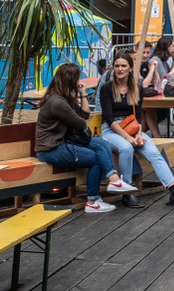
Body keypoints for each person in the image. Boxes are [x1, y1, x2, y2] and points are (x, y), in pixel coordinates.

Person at [34, 62, 135, 213]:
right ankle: (93, 201)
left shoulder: (63, 97)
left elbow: (85, 115)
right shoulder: (57, 102)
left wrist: (82, 94)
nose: (79, 81)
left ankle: (114, 180)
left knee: (101, 142)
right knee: (95, 158)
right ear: (70, 80)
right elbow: (81, 123)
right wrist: (81, 118)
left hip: (62, 143)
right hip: (50, 149)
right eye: (77, 79)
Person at [99, 53, 174, 209]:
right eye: (117, 66)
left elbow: (139, 117)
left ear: (130, 68)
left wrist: (139, 135)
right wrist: (129, 138)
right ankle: (127, 193)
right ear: (113, 68)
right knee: (126, 148)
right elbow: (109, 118)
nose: (120, 69)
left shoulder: (136, 88)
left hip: (132, 128)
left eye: (123, 66)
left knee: (154, 152)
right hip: (111, 130)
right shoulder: (106, 88)